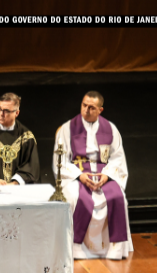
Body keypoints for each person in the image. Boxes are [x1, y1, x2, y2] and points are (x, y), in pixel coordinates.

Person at [54, 91, 131, 260]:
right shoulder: (68, 129)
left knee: (118, 198)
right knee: (77, 197)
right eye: (84, 105)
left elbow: (117, 157)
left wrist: (107, 175)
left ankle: (116, 246)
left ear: (100, 110)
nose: (86, 110)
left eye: (92, 107)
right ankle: (76, 246)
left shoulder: (111, 129)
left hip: (103, 173)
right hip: (79, 173)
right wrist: (80, 176)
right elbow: (60, 159)